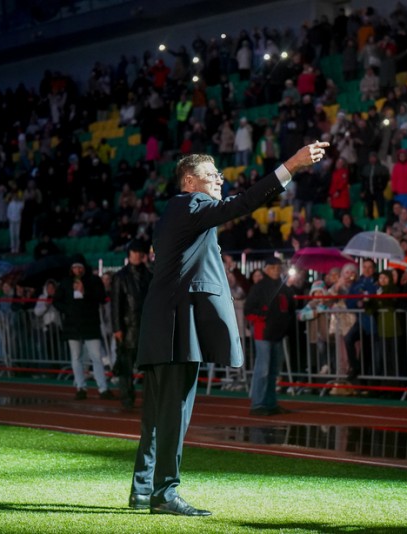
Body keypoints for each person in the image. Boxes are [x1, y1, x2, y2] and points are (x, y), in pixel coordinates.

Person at [129, 140, 328, 516]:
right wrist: (293, 164)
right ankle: (164, 494)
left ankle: (143, 490)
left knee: (156, 414)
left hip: (162, 322)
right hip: (176, 325)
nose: (220, 179)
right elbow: (243, 203)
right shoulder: (193, 204)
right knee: (175, 413)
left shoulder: (176, 211)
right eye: (212, 174)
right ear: (190, 181)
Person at [51, 257, 111, 399]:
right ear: (71, 269)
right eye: (74, 267)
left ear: (84, 268)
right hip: (73, 324)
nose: (77, 270)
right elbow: (56, 301)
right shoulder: (66, 283)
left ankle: (103, 388)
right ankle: (80, 387)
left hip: (90, 323)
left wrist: (85, 291)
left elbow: (101, 297)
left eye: (80, 267)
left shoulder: (94, 280)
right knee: (76, 357)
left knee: (96, 356)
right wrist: (68, 310)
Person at [244, 256, 296, 416]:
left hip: (277, 334)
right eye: (273, 267)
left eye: (278, 267)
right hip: (264, 333)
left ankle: (270, 403)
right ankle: (258, 404)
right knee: (264, 370)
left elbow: (290, 310)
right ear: (266, 269)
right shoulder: (260, 287)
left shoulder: (284, 288)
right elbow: (249, 311)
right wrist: (263, 317)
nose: (276, 270)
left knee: (273, 371)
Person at [111, 240, 153, 409]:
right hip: (128, 329)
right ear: (129, 254)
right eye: (134, 252)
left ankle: (150, 398)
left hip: (146, 329)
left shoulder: (150, 276)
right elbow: (115, 305)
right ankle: (127, 398)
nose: (137, 255)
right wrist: (117, 328)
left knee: (149, 368)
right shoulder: (120, 277)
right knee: (126, 367)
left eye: (139, 252)